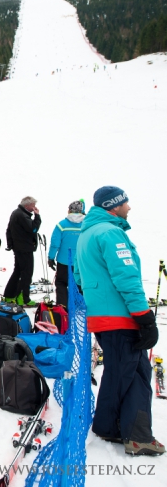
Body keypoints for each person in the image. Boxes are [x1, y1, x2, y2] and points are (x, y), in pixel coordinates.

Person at [75, 186, 163, 456]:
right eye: (125, 202)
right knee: (131, 374)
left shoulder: (86, 234)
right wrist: (144, 317)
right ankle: (132, 435)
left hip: (103, 317)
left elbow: (78, 277)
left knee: (126, 372)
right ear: (113, 205)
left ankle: (114, 427)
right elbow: (127, 278)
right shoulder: (110, 233)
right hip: (121, 317)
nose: (129, 207)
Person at [3, 196, 41, 307]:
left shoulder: (16, 213)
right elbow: (33, 229)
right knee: (26, 273)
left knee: (18, 272)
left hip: (19, 247)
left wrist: (11, 244)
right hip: (24, 248)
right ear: (27, 205)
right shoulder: (22, 215)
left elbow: (8, 230)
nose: (34, 207)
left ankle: (10, 295)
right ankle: (24, 298)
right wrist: (37, 216)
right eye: (33, 205)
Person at [47, 200, 85, 307]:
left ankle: (62, 308)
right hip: (81, 262)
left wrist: (51, 258)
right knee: (80, 284)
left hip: (64, 262)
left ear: (69, 210)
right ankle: (79, 307)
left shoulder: (61, 225)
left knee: (61, 284)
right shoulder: (86, 225)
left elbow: (55, 244)